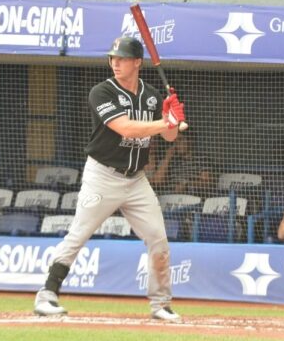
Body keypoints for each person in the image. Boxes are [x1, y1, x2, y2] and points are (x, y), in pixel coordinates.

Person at [33, 36, 186, 322]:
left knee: (158, 239)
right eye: (112, 58)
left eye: (122, 58)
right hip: (102, 175)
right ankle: (47, 295)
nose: (115, 63)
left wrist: (172, 118)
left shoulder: (152, 95)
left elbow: (169, 137)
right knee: (78, 234)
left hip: (137, 180)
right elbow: (126, 129)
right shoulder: (101, 92)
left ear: (137, 62)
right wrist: (164, 123)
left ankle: (161, 304)